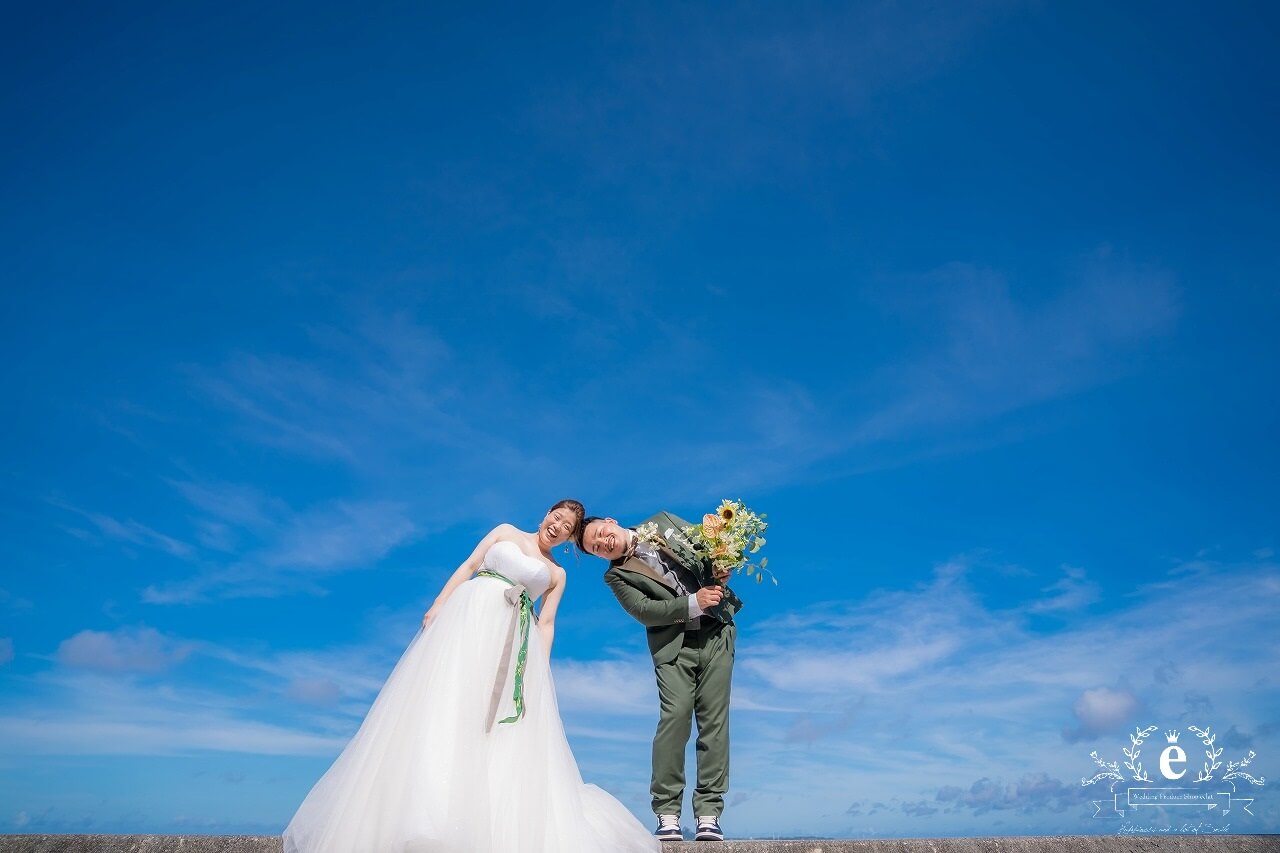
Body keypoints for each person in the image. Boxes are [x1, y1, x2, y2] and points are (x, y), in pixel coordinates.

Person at [284, 500, 659, 853]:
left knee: (491, 724)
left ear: (568, 540)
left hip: (511, 643)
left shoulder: (555, 574)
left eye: (567, 528)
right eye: (556, 517)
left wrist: (539, 670)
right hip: (465, 622)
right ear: (547, 514)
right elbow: (468, 566)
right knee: (444, 703)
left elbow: (546, 624)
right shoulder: (505, 531)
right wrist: (438, 604)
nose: (557, 526)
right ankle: (422, 813)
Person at [579, 511, 743, 843]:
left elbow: (708, 551)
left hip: (716, 633)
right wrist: (692, 603)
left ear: (610, 521)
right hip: (673, 647)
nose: (602, 543)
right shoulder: (617, 576)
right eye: (596, 548)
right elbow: (645, 611)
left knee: (714, 721)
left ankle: (709, 814)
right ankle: (667, 813)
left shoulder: (665, 522)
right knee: (675, 717)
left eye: (599, 533)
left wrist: (723, 565)